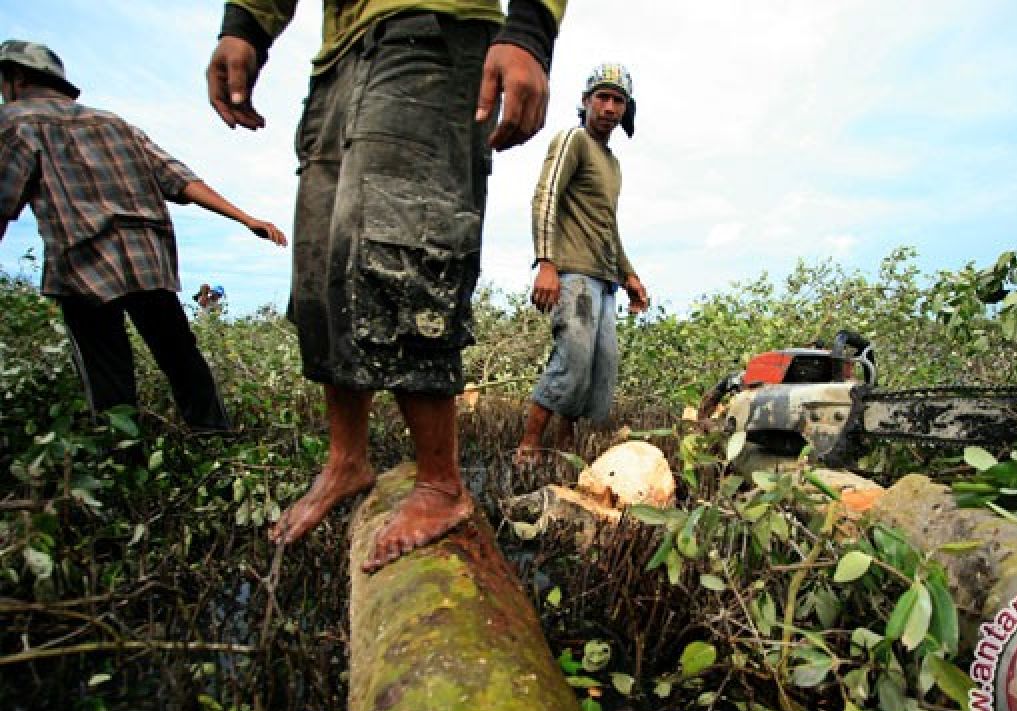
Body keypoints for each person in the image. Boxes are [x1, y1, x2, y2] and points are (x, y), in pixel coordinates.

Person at [205, 0, 567, 572]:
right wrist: (247, 24)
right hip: (336, 62)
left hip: (434, 31)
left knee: (407, 244)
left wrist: (529, 28)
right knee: (325, 269)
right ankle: (347, 459)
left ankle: (441, 484)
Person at [0, 40, 287, 433]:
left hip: (85, 266)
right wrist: (245, 218)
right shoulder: (113, 123)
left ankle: (122, 455)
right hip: (148, 260)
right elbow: (180, 178)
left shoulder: (15, 122)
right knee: (182, 359)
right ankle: (215, 438)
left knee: (109, 376)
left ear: (14, 79)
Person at [514, 63, 649, 465]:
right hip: (571, 272)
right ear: (586, 102)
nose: (609, 107)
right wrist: (546, 263)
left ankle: (565, 447)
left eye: (618, 100)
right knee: (572, 359)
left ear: (626, 109)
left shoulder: (612, 164)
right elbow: (546, 197)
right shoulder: (573, 139)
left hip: (604, 279)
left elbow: (608, 226)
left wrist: (630, 276)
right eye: (602, 98)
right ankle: (528, 446)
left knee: (598, 366)